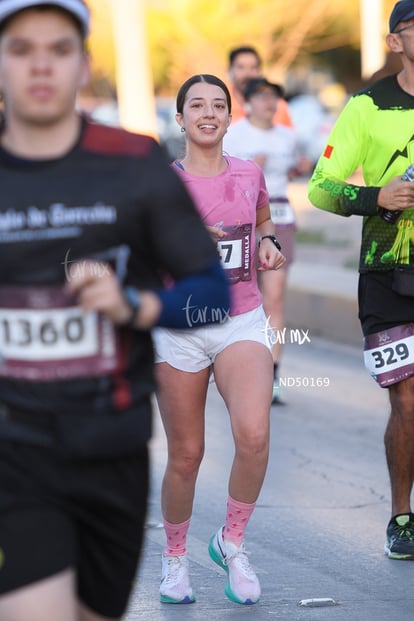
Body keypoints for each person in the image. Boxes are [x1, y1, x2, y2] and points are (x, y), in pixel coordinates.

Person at [0, 3, 230, 621]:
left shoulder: (133, 163)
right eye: (20, 49)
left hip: (111, 449)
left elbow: (212, 292)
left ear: (84, 62)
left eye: (58, 48)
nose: (40, 65)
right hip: (14, 451)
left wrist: (134, 304)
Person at [154, 74, 286, 606]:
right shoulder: (159, 184)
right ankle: (175, 557)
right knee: (187, 455)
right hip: (179, 329)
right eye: (196, 105)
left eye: (217, 105)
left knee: (254, 436)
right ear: (180, 118)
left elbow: (263, 217)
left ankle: (230, 542)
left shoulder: (249, 172)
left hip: (240, 319)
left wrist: (270, 242)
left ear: (229, 118)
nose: (207, 113)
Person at [308, 0, 414, 562]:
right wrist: (377, 197)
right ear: (396, 41)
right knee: (408, 399)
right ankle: (402, 516)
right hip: (389, 271)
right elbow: (321, 187)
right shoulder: (368, 107)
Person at [224, 77, 311, 404]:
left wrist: (299, 168)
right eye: (261, 97)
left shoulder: (288, 136)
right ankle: (235, 368)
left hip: (279, 219)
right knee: (240, 298)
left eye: (274, 97)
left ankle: (272, 377)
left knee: (273, 300)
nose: (268, 103)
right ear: (247, 103)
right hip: (240, 221)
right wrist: (248, 169)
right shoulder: (233, 135)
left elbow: (292, 170)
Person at [227, 45, 293, 127]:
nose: (247, 73)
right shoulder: (219, 104)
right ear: (229, 70)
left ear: (260, 71)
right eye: (241, 67)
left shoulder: (278, 106)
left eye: (253, 67)